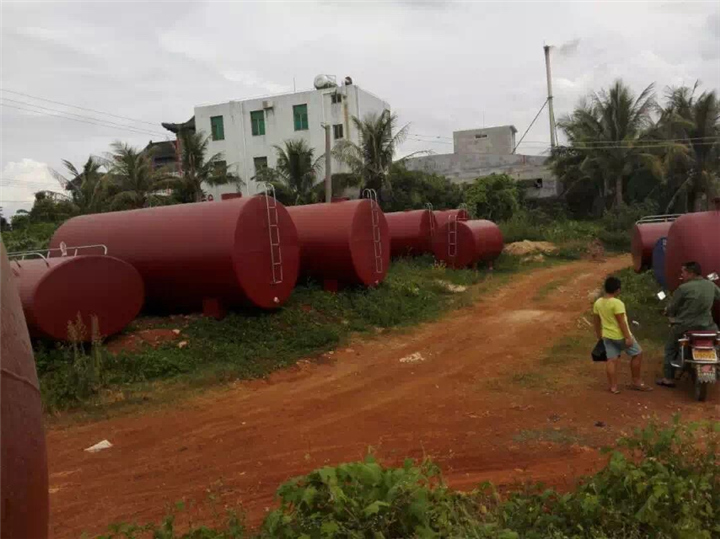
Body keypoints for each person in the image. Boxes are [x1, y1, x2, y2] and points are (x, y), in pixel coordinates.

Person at [657, 261, 720, 388]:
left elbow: (672, 307)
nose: (682, 275)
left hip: (685, 325)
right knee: (717, 342)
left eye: (683, 272)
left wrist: (667, 312)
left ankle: (668, 378)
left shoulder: (683, 288)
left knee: (670, 347)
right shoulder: (711, 285)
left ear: (691, 273)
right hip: (707, 325)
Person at [593, 276, 651, 394]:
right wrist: (628, 337)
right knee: (637, 354)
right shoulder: (617, 303)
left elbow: (596, 321)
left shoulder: (598, 302)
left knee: (611, 360)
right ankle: (636, 381)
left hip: (607, 336)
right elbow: (621, 322)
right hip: (620, 336)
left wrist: (599, 335)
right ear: (617, 290)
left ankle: (613, 387)